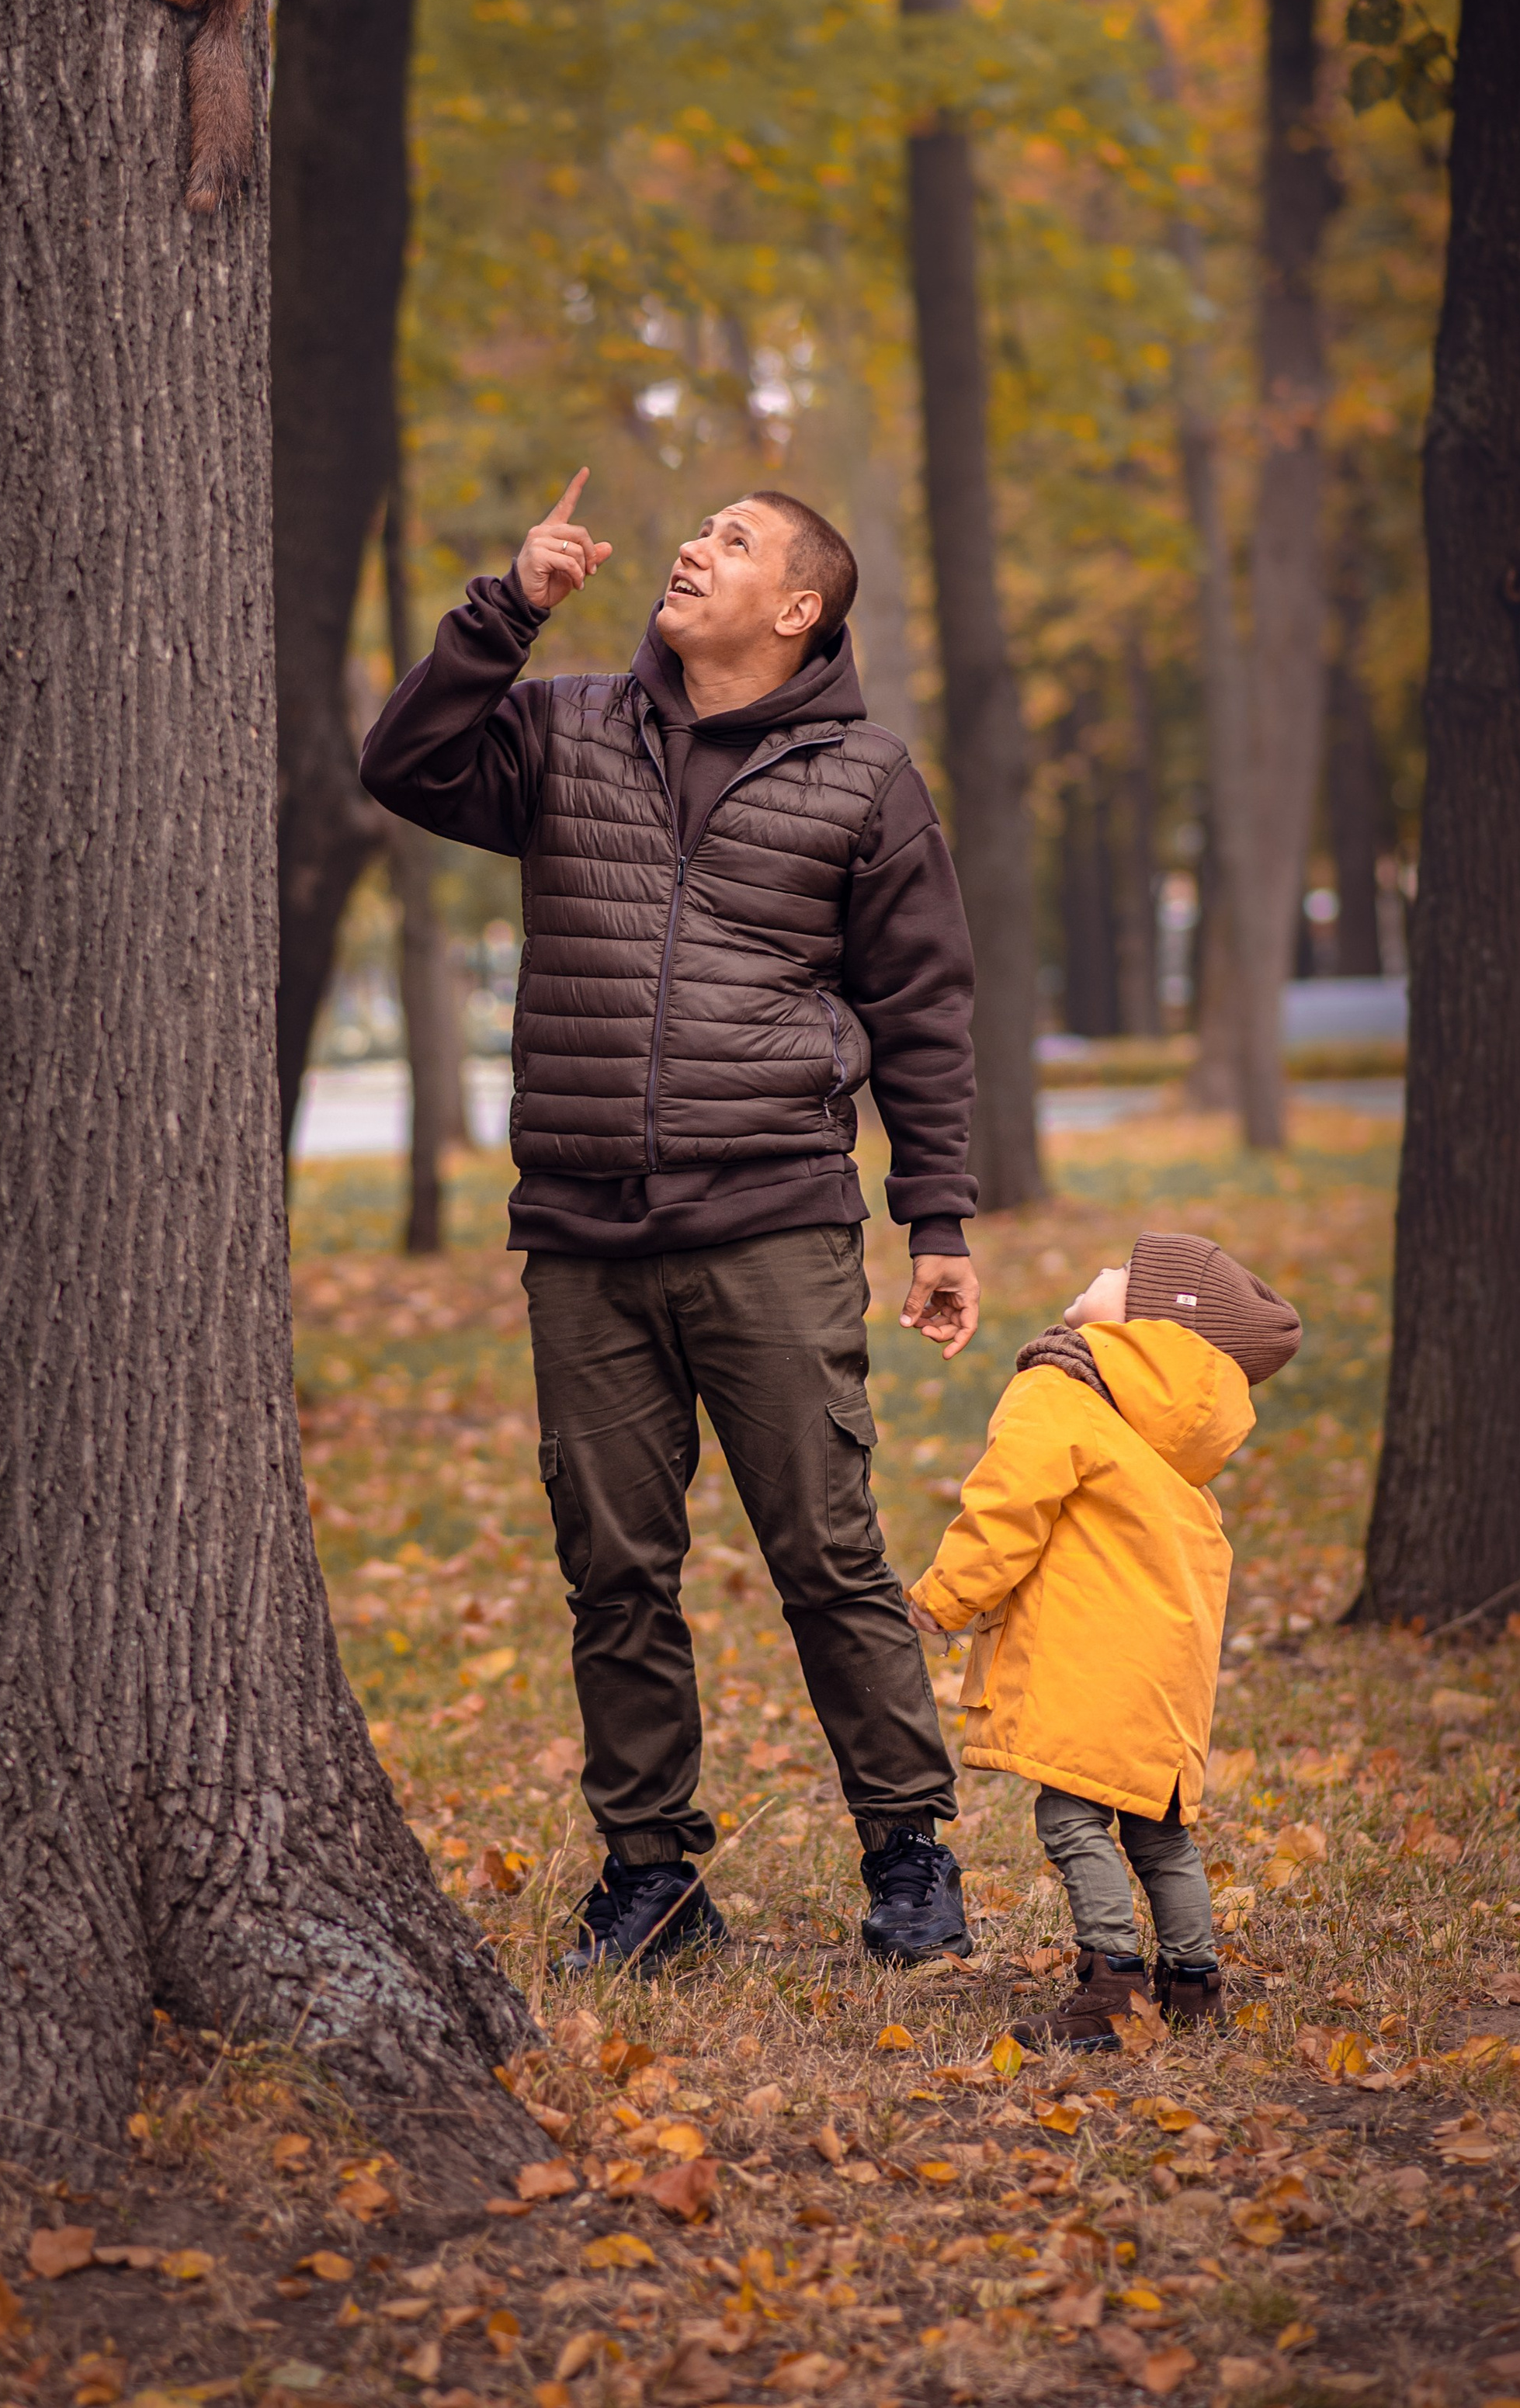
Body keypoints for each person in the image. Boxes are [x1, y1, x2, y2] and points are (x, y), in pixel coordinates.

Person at [359, 473, 980, 1974]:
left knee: (824, 1548)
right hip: (582, 1230)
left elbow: (923, 1007)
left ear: (798, 607)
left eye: (736, 540)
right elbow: (406, 763)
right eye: (697, 529)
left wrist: (938, 1211)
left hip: (770, 1216)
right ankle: (653, 1872)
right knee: (614, 1568)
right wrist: (506, 607)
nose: (695, 546)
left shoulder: (866, 776)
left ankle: (910, 1851)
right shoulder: (566, 726)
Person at [905, 1230, 1302, 2049]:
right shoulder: (1171, 1437)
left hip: (1083, 1662)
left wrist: (942, 1601)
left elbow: (1007, 1510)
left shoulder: (1061, 1393)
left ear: (1153, 1323)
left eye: (1125, 1273)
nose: (1104, 1269)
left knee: (1070, 1818)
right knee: (1157, 1831)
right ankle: (1192, 1981)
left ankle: (1111, 1984)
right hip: (1162, 1675)